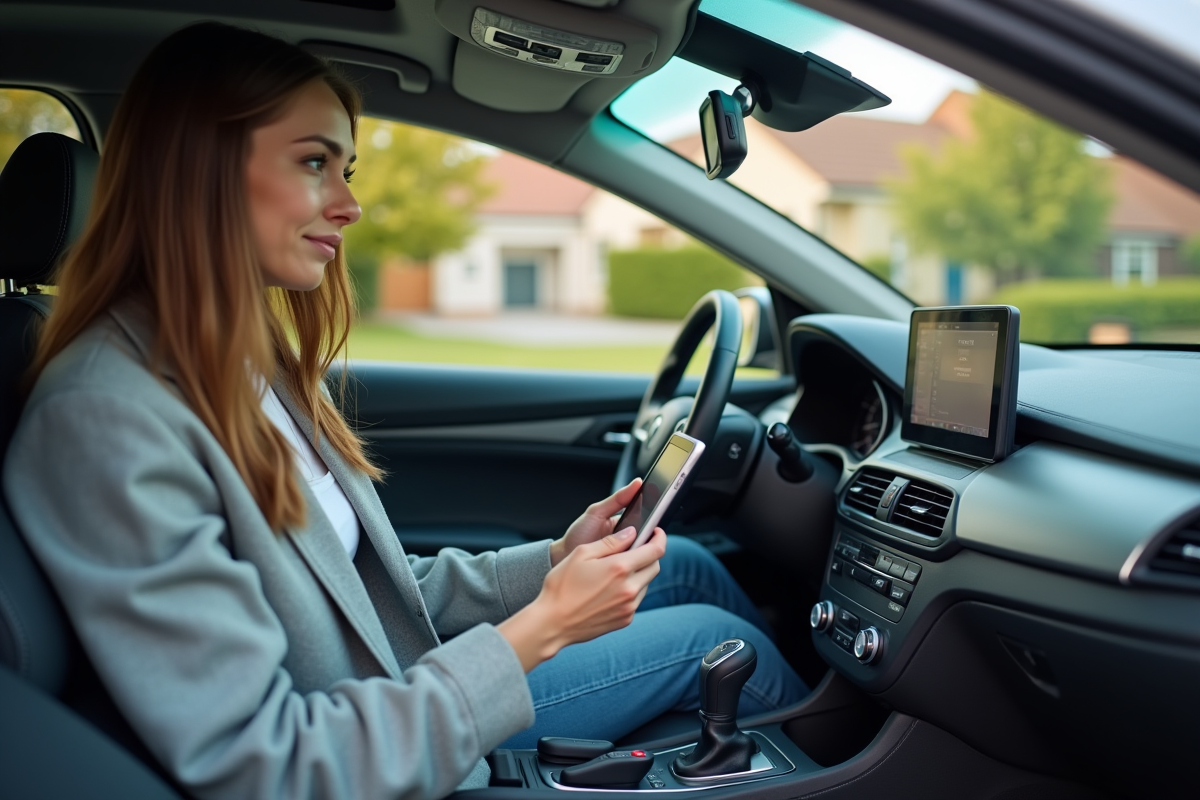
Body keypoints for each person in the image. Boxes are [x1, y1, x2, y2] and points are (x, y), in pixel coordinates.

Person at [2, 22, 807, 800]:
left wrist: (555, 562)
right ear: (198, 170)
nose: (350, 206)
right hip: (375, 739)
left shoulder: (247, 362)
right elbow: (269, 767)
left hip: (396, 682)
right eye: (316, 162)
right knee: (718, 642)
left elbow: (364, 590)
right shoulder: (105, 418)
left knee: (690, 566)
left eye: (348, 170)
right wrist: (543, 629)